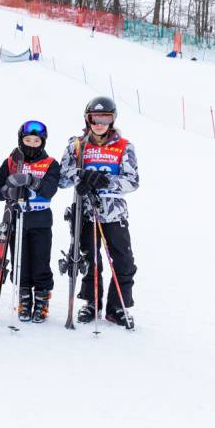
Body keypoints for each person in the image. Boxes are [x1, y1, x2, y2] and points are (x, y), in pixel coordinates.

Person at [59, 96, 139, 327]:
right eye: (96, 118)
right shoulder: (77, 145)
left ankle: (117, 307)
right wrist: (81, 177)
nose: (100, 123)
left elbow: (132, 181)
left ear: (112, 120)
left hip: (114, 213)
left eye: (106, 118)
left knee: (123, 261)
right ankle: (91, 303)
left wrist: (105, 181)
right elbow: (62, 178)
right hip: (85, 212)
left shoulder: (124, 146)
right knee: (89, 259)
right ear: (88, 118)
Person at [0, 120, 60, 323]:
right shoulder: (12, 162)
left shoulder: (50, 163)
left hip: (41, 219)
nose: (31, 144)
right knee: (21, 261)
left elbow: (50, 190)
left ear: (43, 142)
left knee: (40, 261)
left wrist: (31, 180)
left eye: (36, 141)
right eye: (27, 140)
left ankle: (41, 300)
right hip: (17, 218)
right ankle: (25, 299)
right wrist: (8, 189)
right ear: (21, 140)